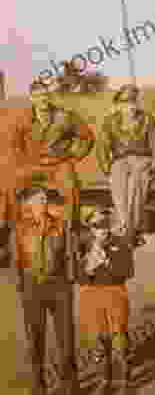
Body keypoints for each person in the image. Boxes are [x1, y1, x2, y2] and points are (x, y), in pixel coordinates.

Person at [10, 79, 95, 280]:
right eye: (38, 96)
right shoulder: (23, 118)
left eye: (45, 95)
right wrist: (23, 162)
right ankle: (14, 226)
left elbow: (87, 137)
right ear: (32, 98)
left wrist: (74, 155)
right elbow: (14, 145)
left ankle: (72, 228)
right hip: (34, 165)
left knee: (70, 186)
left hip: (58, 163)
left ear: (50, 96)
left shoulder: (64, 116)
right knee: (14, 185)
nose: (42, 99)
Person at [11, 186, 81, 395]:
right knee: (35, 339)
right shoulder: (19, 229)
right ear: (29, 205)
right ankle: (38, 386)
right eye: (38, 200)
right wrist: (22, 287)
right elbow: (16, 261)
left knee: (66, 339)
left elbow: (70, 254)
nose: (43, 203)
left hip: (59, 287)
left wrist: (69, 282)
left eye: (44, 200)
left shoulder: (61, 226)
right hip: (32, 288)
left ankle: (70, 386)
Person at [96, 84, 155, 247]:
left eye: (133, 102)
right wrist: (107, 169)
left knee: (136, 183)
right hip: (120, 160)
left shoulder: (148, 119)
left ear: (137, 103)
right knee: (118, 177)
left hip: (142, 158)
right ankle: (128, 226)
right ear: (119, 105)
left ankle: (131, 228)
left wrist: (154, 167)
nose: (129, 107)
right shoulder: (110, 121)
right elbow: (102, 146)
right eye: (125, 103)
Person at [78, 207, 134, 395]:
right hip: (92, 295)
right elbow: (79, 277)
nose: (102, 229)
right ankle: (105, 379)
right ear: (90, 228)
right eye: (96, 226)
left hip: (115, 293)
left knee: (119, 338)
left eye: (104, 225)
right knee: (99, 340)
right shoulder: (84, 246)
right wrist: (90, 266)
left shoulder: (120, 242)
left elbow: (128, 272)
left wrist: (108, 261)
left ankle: (125, 380)